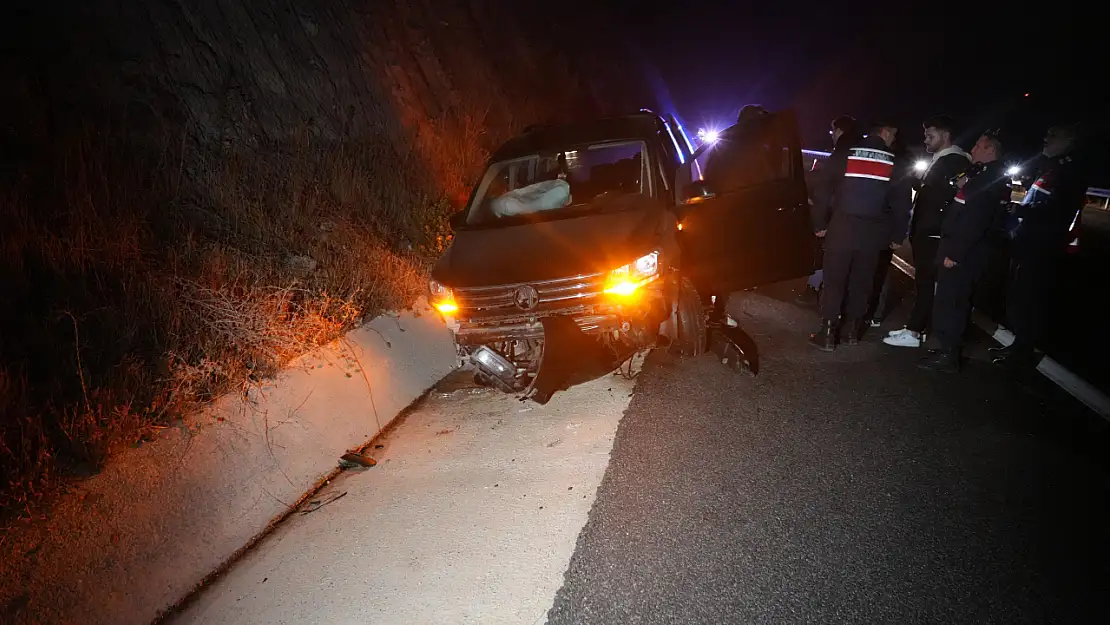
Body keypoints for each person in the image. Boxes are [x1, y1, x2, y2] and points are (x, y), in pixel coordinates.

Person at [991, 124, 1090, 367]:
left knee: (1030, 300)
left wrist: (1022, 209)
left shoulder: (1069, 171)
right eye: (1046, 134)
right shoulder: (1052, 167)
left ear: (1069, 139)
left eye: (1053, 135)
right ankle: (1017, 346)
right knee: (1019, 297)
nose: (1046, 138)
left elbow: (1059, 212)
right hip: (1027, 242)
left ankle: (1023, 354)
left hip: (1041, 246)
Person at [810, 121, 913, 351]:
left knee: (834, 281)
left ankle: (827, 333)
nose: (893, 140)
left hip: (842, 227)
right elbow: (901, 203)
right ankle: (852, 332)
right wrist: (898, 234)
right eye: (893, 135)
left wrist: (820, 223)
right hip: (873, 233)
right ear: (885, 131)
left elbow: (823, 190)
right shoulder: (895, 161)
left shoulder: (845, 154)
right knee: (862, 283)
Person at [918, 133, 1011, 372]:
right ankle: (947, 349)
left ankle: (949, 356)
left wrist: (955, 254)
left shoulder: (987, 178)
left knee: (951, 302)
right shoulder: (984, 175)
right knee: (951, 301)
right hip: (966, 250)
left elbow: (975, 219)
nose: (973, 149)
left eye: (979, 146)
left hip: (963, 254)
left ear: (990, 151)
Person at [884, 115, 971, 348]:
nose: (925, 140)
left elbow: (949, 194)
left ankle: (914, 331)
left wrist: (919, 183)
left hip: (933, 231)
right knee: (923, 281)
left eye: (930, 135)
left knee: (926, 282)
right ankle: (917, 328)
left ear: (945, 136)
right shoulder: (942, 159)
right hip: (928, 229)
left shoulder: (954, 160)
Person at [796, 115, 863, 307]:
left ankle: (818, 295)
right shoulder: (860, 153)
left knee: (827, 256)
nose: (832, 135)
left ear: (840, 131)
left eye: (833, 131)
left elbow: (826, 189)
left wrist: (819, 220)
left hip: (836, 216)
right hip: (858, 218)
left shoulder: (840, 154)